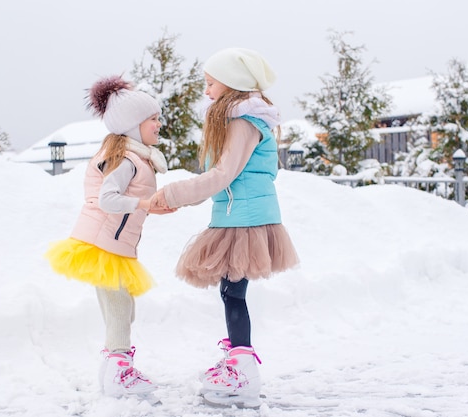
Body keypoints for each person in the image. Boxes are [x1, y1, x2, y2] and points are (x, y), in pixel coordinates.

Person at [152, 47, 299, 408]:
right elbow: (223, 176)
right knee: (230, 292)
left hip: (244, 219)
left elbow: (222, 175)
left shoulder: (243, 123)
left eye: (210, 83)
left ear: (231, 83)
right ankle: (238, 356)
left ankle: (243, 368)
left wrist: (174, 192)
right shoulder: (243, 120)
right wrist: (181, 198)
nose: (206, 91)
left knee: (233, 293)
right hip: (238, 214)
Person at [45, 75, 173, 398]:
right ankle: (119, 375)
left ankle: (112, 370)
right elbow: (107, 199)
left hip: (113, 244)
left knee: (123, 308)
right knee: (119, 308)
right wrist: (144, 203)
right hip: (106, 246)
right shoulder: (127, 160)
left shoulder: (134, 157)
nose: (160, 124)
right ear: (133, 126)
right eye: (153, 119)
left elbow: (123, 203)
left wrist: (148, 208)